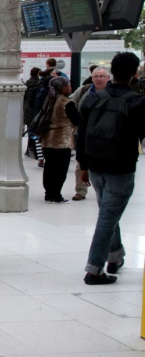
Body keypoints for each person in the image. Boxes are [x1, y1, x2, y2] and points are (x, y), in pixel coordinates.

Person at [76, 52, 145, 285]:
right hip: (121, 168)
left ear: (111, 72)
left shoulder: (94, 97)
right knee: (108, 217)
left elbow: (82, 134)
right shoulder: (137, 102)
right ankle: (94, 269)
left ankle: (115, 256)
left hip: (95, 165)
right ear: (134, 73)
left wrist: (83, 165)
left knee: (108, 213)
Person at [70, 66, 111, 201]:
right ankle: (80, 190)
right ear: (92, 78)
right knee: (81, 162)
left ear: (108, 78)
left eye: (102, 76)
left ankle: (107, 189)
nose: (99, 79)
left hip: (107, 135)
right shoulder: (84, 90)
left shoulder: (113, 92)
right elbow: (70, 102)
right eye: (96, 77)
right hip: (85, 132)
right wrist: (76, 119)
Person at [39, 75, 77, 203]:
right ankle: (56, 195)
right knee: (60, 170)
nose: (70, 87)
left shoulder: (49, 100)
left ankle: (48, 193)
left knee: (49, 168)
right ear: (63, 88)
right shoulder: (67, 103)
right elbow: (77, 120)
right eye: (68, 85)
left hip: (47, 140)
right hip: (62, 141)